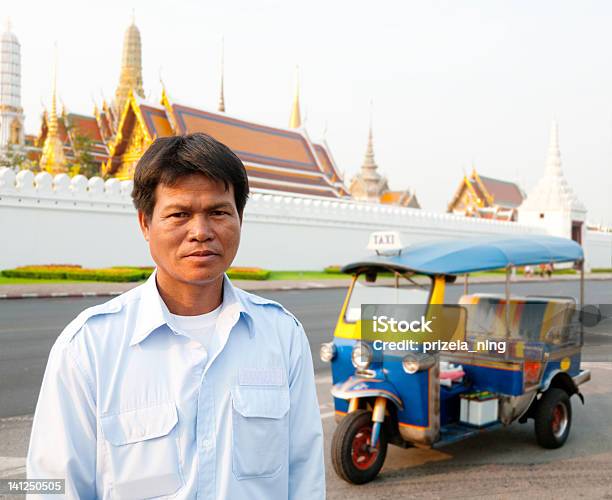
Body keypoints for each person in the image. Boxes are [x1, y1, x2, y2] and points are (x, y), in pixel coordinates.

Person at [27, 133, 325, 499]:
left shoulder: (280, 335)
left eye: (218, 212)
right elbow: (51, 484)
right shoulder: (88, 347)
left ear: (240, 219)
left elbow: (305, 474)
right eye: (179, 214)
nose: (200, 232)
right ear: (145, 223)